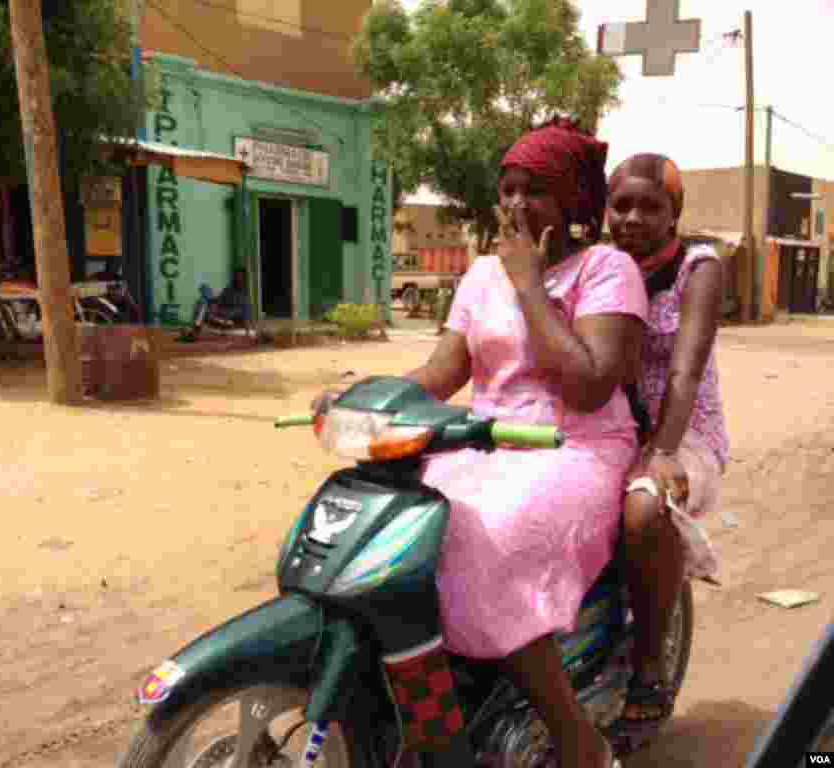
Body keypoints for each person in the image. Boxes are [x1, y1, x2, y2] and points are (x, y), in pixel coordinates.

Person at [316, 118, 647, 768]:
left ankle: (578, 741)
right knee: (386, 529)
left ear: (574, 202)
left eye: (538, 190)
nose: (518, 204)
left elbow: (585, 387)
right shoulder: (480, 275)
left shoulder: (608, 269)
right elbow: (442, 373)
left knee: (478, 540)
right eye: (509, 189)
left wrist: (530, 286)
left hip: (571, 448)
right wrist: (360, 394)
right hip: (481, 443)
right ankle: (423, 708)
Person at [605, 154, 729, 737]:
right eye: (620, 204)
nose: (631, 217)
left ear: (674, 212)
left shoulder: (696, 267)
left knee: (644, 507)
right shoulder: (599, 264)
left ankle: (650, 666)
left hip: (684, 431)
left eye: (649, 206)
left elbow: (686, 369)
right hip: (611, 428)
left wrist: (661, 452)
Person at [180, 267, 253, 342]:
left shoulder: (244, 295)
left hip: (228, 323)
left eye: (240, 277)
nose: (238, 279)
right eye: (236, 276)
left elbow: (245, 315)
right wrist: (210, 302)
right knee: (202, 302)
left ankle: (194, 332)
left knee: (204, 305)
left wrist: (247, 333)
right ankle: (194, 332)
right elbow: (217, 302)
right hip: (218, 318)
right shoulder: (228, 290)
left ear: (244, 279)